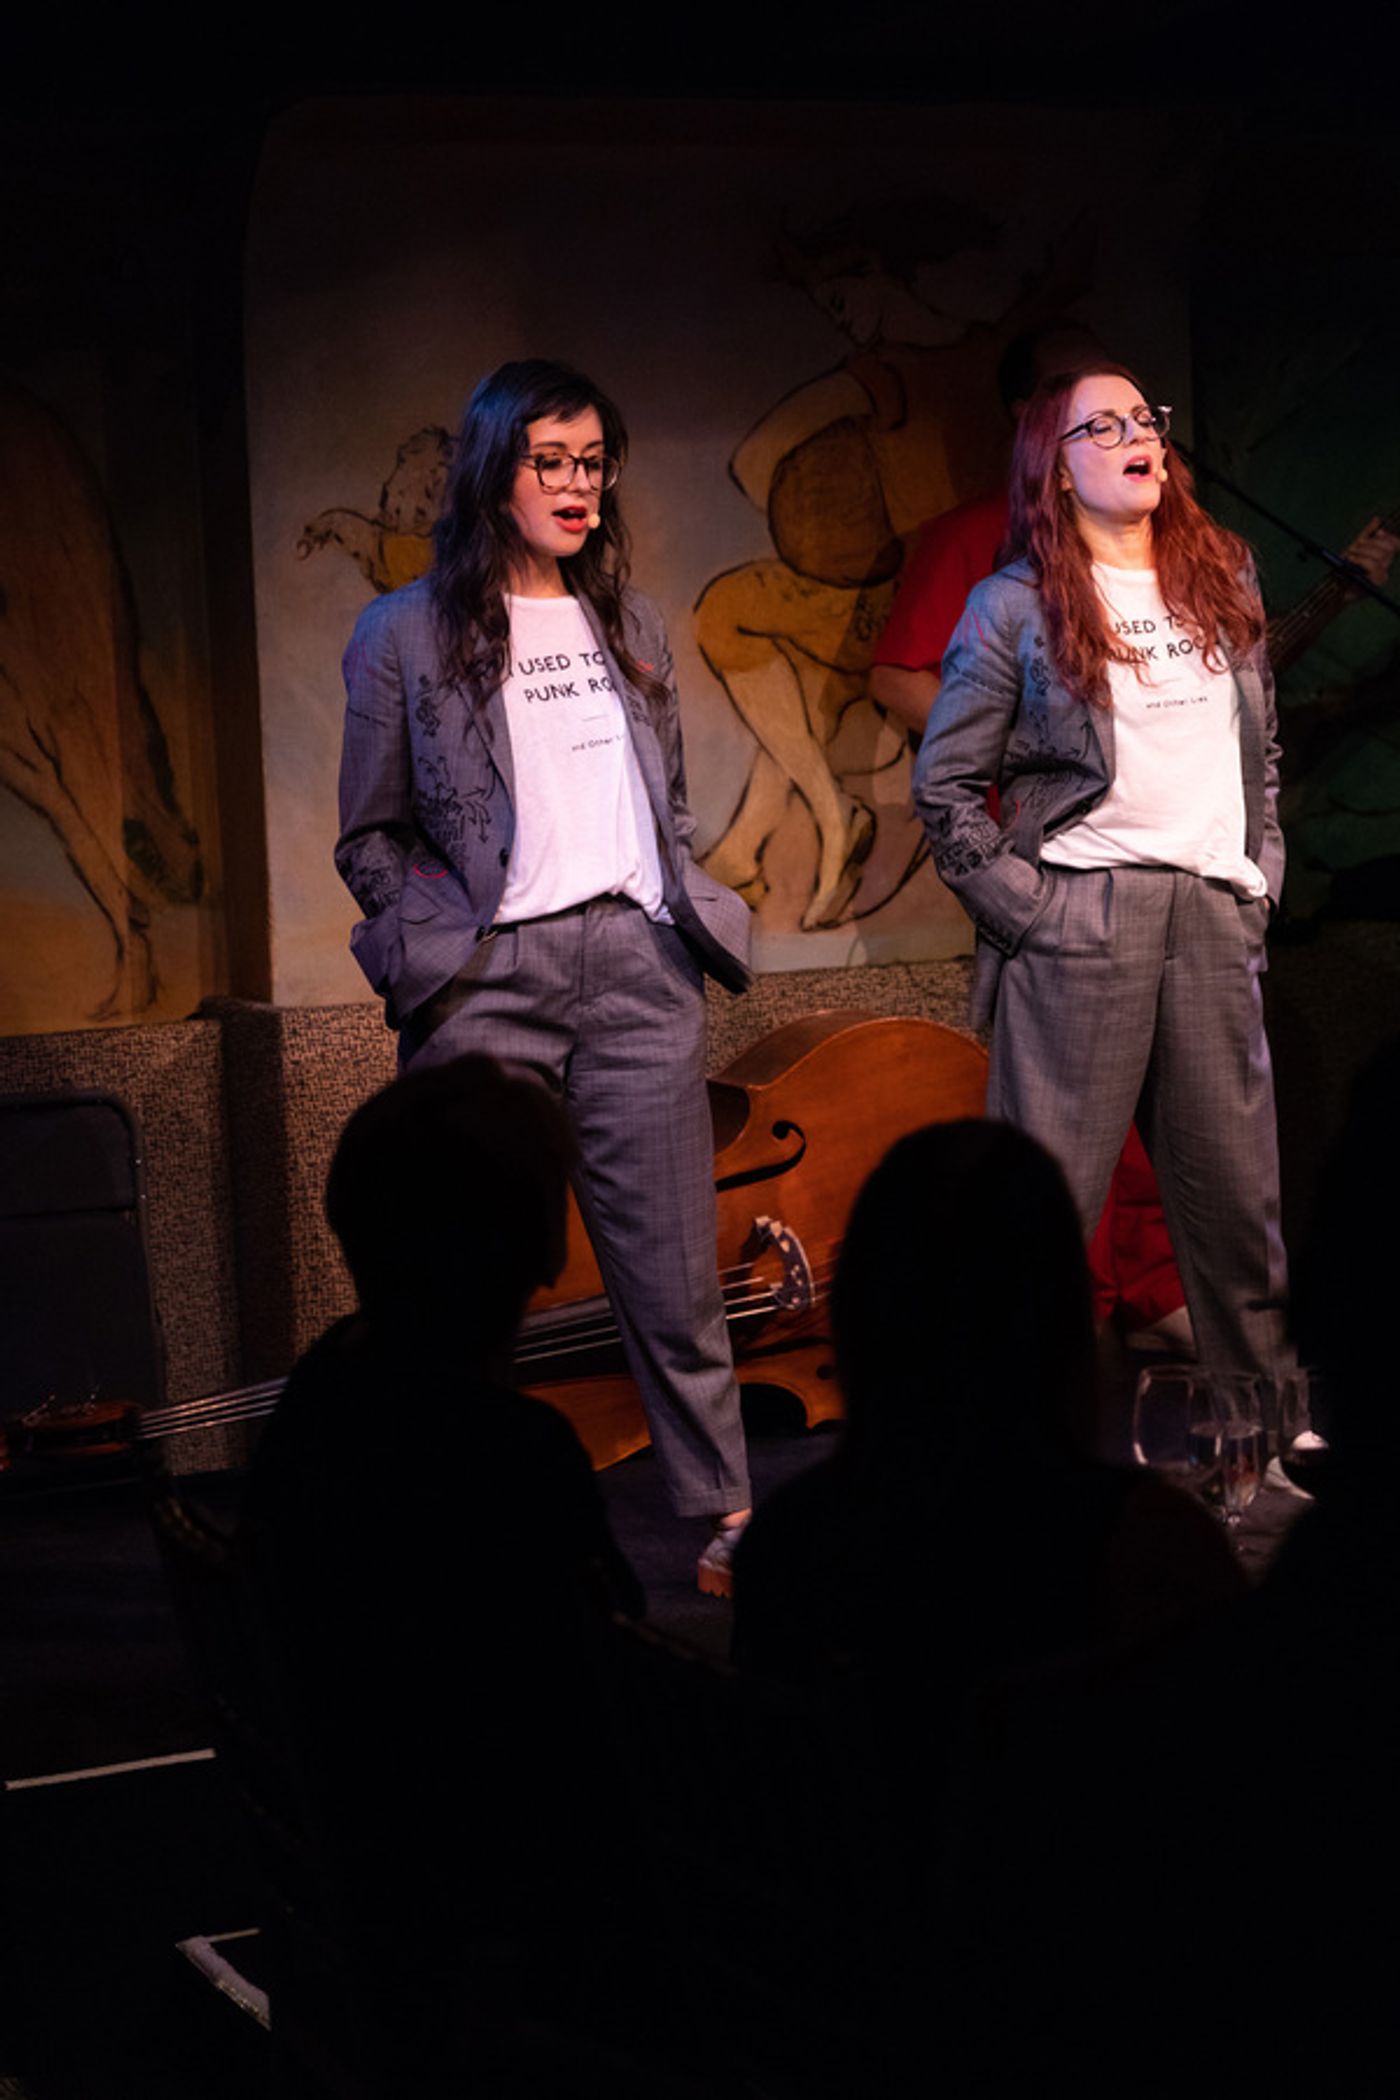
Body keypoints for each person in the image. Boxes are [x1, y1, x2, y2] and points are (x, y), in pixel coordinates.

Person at [334, 359, 753, 1591]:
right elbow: (370, 832)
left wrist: (667, 906)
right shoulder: (403, 632)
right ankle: (434, 1523)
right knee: (456, 1271)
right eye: (550, 462)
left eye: (593, 464)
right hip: (488, 976)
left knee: (673, 1274)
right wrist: (436, 944)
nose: (577, 486)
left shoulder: (631, 622)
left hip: (636, 966)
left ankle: (730, 1514)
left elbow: (668, 797)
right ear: (491, 472)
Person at [914, 363, 1293, 1385]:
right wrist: (1030, 913)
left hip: (1211, 913)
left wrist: (1258, 877)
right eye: (1105, 426)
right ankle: (1003, 1435)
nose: (1139, 437)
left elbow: (1258, 749)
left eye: (1144, 419)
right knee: (1039, 1207)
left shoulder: (1224, 573)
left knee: (1236, 1202)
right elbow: (945, 787)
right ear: (1055, 465)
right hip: (1083, 914)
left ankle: (1254, 1425)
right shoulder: (1012, 606)